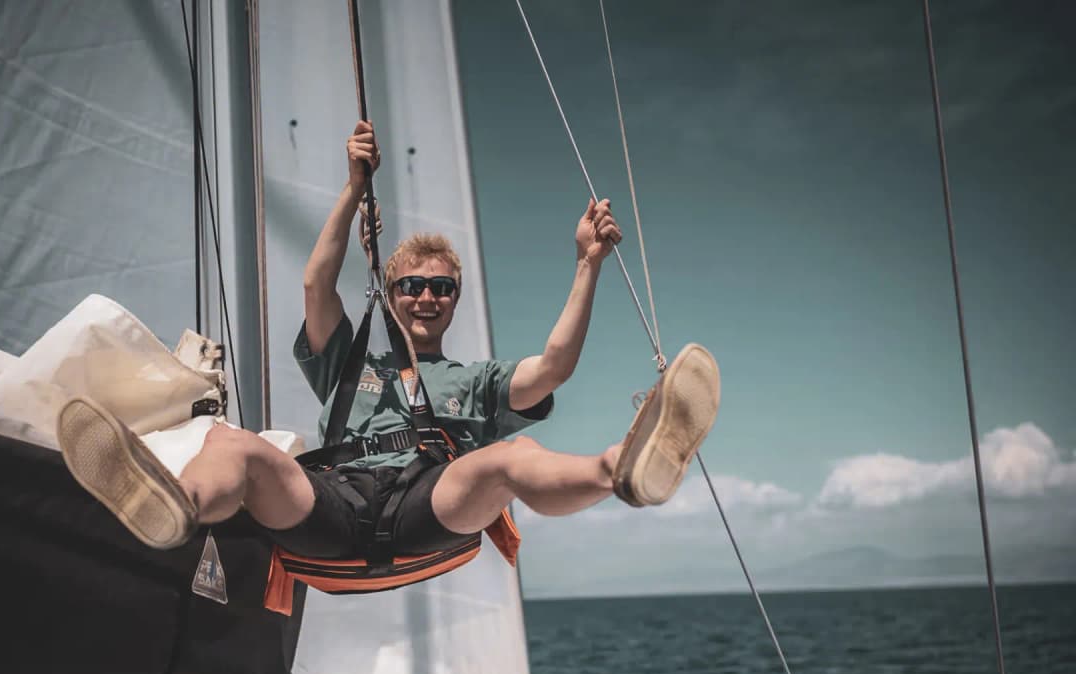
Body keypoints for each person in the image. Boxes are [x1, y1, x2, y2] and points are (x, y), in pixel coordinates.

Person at [56, 121, 719, 566]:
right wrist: (350, 191)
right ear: (391, 292)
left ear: (455, 299)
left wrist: (588, 263)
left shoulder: (478, 380)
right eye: (412, 285)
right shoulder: (350, 362)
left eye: (441, 287)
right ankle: (177, 508)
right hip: (332, 507)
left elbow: (552, 368)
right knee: (233, 443)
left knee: (509, 458)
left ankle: (621, 468)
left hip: (432, 509)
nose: (426, 296)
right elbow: (318, 285)